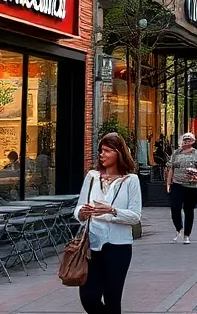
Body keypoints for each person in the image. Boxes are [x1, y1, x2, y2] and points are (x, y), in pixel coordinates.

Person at [77, 133, 142, 314]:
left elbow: (135, 216)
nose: (102, 155)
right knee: (89, 297)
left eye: (107, 151)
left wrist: (111, 211)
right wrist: (82, 212)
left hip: (119, 247)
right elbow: (79, 207)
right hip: (92, 246)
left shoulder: (131, 180)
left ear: (119, 152)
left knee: (112, 298)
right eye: (101, 151)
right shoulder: (92, 176)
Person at [166, 132, 197, 243]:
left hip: (191, 186)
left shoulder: (196, 154)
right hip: (177, 184)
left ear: (193, 142)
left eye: (189, 139)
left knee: (189, 210)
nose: (186, 141)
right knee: (175, 208)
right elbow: (171, 168)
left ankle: (187, 234)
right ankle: (179, 229)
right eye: (185, 139)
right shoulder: (176, 153)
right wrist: (168, 183)